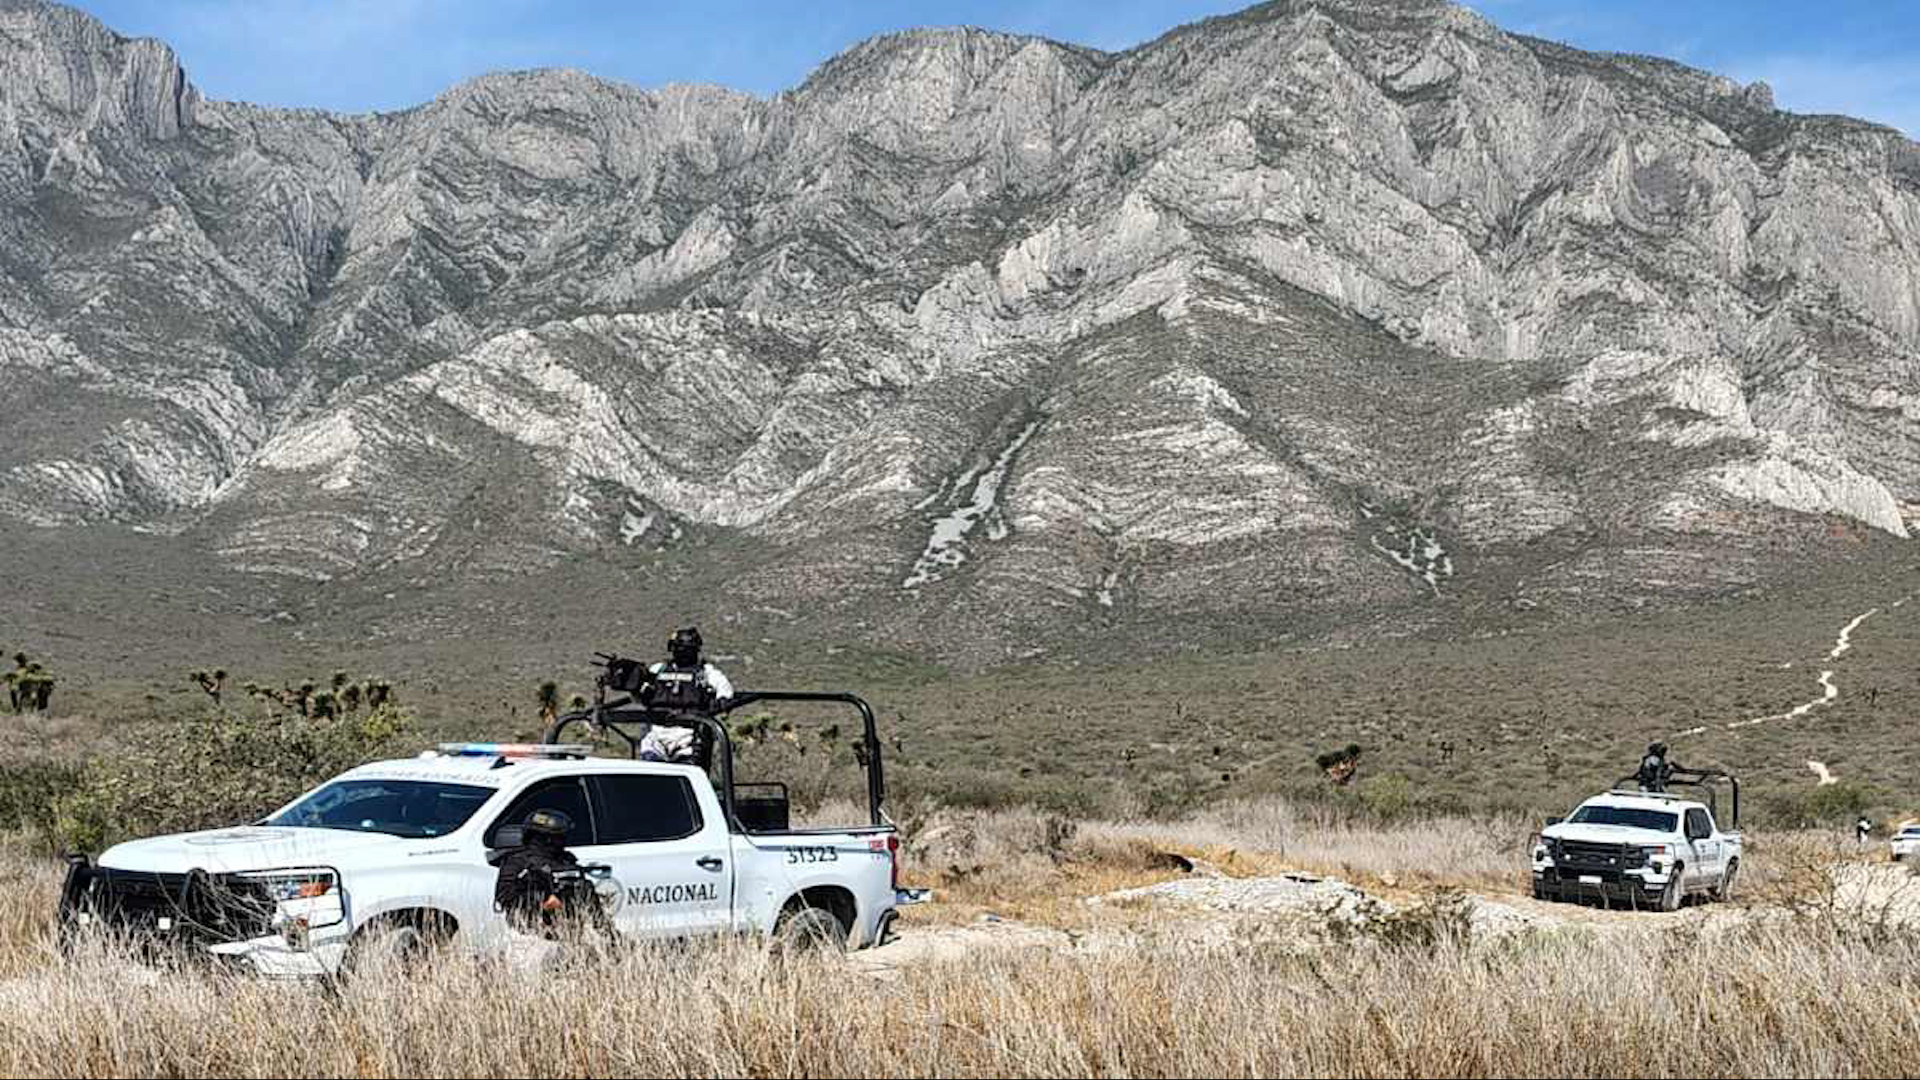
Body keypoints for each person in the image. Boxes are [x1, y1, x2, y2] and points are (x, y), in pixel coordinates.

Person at [493, 808, 582, 936]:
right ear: (547, 838)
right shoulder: (518, 862)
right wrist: (545, 903)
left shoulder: (565, 860)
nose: (562, 841)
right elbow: (505, 898)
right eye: (558, 837)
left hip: (568, 930)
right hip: (530, 933)